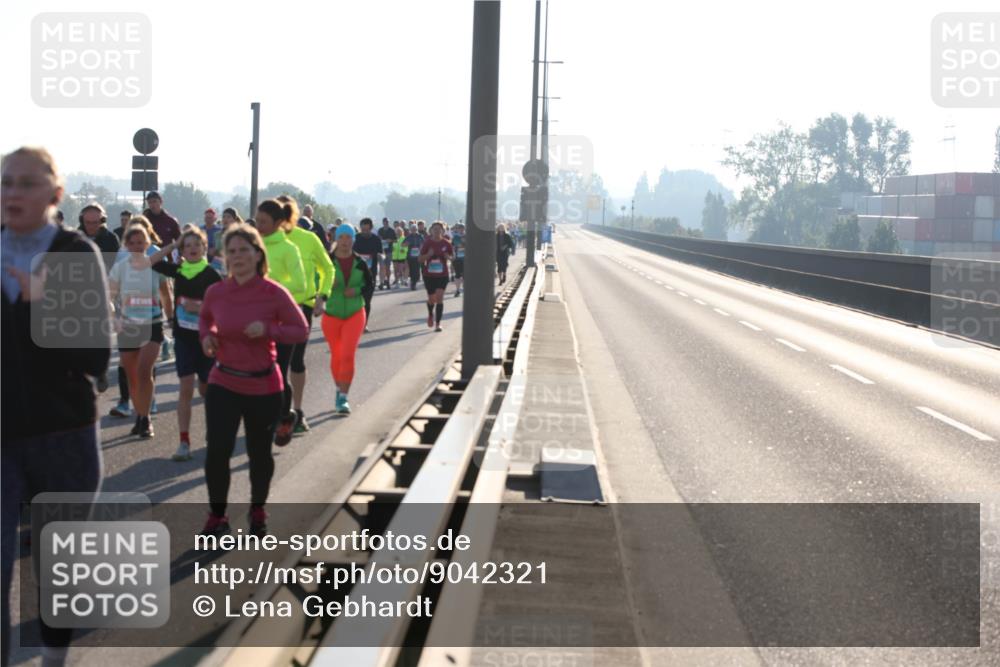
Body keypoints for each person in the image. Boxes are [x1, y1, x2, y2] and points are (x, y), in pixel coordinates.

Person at [2, 146, 111, 667]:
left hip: (62, 434)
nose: (13, 193)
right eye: (6, 182)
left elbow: (95, 357)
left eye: (27, 183)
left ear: (55, 193)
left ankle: (53, 659)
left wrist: (40, 304)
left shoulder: (75, 254)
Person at [199, 223, 309, 537]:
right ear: (224, 257)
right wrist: (207, 337)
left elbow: (300, 329)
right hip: (223, 381)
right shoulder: (216, 292)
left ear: (258, 254)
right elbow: (205, 320)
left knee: (259, 454)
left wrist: (269, 329)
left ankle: (257, 509)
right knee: (217, 452)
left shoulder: (273, 293)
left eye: (244, 250)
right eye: (231, 251)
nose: (237, 256)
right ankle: (217, 517)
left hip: (263, 385)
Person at [149, 227, 223, 460]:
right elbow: (151, 261)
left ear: (204, 248)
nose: (192, 249)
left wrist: (199, 308)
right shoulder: (179, 270)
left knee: (206, 390)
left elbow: (222, 309)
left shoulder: (212, 275)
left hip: (207, 339)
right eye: (187, 245)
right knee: (185, 389)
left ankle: (214, 430)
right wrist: (172, 245)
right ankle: (184, 442)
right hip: (183, 339)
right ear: (182, 250)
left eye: (196, 245)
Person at [108, 222, 173, 438]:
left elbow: (165, 293)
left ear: (147, 243)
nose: (137, 246)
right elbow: (109, 297)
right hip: (128, 326)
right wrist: (114, 319)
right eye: (133, 243)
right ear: (126, 245)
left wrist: (171, 318)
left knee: (145, 371)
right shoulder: (121, 267)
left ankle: (145, 419)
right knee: (132, 377)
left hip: (152, 324)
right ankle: (139, 414)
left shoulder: (155, 265)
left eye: (141, 242)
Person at [277, 195, 333, 434]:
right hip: (269, 308)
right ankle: (278, 412)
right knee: (273, 364)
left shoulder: (309, 239)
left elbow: (327, 267)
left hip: (301, 306)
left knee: (295, 360)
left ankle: (297, 412)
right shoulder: (263, 240)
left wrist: (323, 296)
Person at [255, 199, 307, 446]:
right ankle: (268, 417)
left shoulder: (289, 249)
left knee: (278, 370)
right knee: (259, 372)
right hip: (256, 321)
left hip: (283, 321)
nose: (258, 225)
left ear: (277, 223)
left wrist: (270, 288)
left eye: (263, 222)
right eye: (257, 220)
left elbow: (300, 284)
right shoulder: (252, 246)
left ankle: (284, 417)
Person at [322, 223, 373, 415]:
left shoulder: (360, 262)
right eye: (341, 237)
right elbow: (316, 282)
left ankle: (343, 397)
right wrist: (328, 285)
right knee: (336, 355)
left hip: (355, 313)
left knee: (348, 354)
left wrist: (356, 290)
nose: (345, 241)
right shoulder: (327, 261)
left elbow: (369, 285)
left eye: (348, 237)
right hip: (332, 314)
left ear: (353, 240)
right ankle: (338, 388)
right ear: (336, 239)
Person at [419, 221, 453, 331]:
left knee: (439, 298)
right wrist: (428, 255)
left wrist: (448, 257)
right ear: (431, 231)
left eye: (439, 229)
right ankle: (430, 314)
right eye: (435, 229)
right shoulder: (427, 243)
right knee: (432, 299)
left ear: (443, 231)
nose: (437, 231)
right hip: (429, 275)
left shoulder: (446, 243)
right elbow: (420, 259)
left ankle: (438, 324)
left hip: (442, 275)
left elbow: (453, 257)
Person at [353, 218, 382, 331]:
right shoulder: (356, 238)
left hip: (370, 274)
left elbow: (381, 254)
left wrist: (379, 257)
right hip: (356, 274)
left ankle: (364, 324)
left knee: (367, 301)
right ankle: (355, 322)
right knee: (356, 300)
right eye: (362, 229)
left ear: (371, 228)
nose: (364, 232)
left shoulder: (376, 239)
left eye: (366, 229)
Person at [376, 217, 396, 290]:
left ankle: (387, 281)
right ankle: (381, 282)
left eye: (387, 222)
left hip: (389, 251)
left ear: (388, 222)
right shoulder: (380, 230)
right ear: (383, 222)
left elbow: (395, 240)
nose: (386, 223)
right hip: (381, 251)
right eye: (385, 221)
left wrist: (390, 240)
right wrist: (380, 240)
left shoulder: (392, 230)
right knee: (382, 267)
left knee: (387, 267)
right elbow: (377, 239)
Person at [403, 224, 424, 290]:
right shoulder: (408, 237)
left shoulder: (420, 236)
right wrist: (406, 244)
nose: (414, 230)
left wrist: (421, 247)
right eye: (412, 229)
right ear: (411, 230)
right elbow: (402, 244)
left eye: (415, 229)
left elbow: (424, 244)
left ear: (417, 229)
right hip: (410, 256)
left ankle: (414, 282)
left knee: (417, 270)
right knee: (412, 270)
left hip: (418, 256)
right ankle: (413, 283)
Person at [450, 222, 465, 297]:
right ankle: (458, 290)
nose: (461, 230)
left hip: (466, 259)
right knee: (458, 275)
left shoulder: (467, 236)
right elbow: (452, 247)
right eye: (460, 228)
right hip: (457, 258)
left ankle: (465, 289)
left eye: (462, 228)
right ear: (457, 229)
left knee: (466, 275)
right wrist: (453, 255)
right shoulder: (455, 237)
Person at [391, 222, 408, 287]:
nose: (398, 233)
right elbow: (392, 246)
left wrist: (404, 250)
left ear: (402, 232)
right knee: (395, 270)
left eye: (399, 231)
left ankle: (401, 280)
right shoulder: (394, 239)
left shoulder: (404, 239)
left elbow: (407, 247)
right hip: (395, 257)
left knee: (400, 270)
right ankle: (397, 281)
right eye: (397, 231)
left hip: (402, 257)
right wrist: (392, 248)